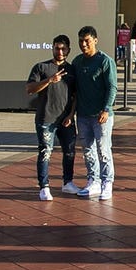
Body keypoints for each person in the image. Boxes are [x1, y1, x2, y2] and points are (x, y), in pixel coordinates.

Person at [25, 35, 78, 200]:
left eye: (63, 49)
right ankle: (44, 186)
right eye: (57, 48)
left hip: (66, 119)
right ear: (52, 48)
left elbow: (76, 96)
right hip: (46, 118)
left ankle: (67, 182)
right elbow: (30, 89)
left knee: (69, 152)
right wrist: (49, 80)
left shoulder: (72, 70)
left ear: (68, 50)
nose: (60, 52)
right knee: (45, 152)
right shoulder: (41, 67)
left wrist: (71, 114)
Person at [72, 26, 117, 199]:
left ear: (95, 41)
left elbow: (112, 87)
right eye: (81, 41)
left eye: (87, 41)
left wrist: (106, 109)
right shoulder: (77, 62)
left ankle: (107, 182)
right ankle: (94, 181)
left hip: (101, 115)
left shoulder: (105, 61)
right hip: (83, 115)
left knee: (103, 150)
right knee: (88, 150)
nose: (83, 44)